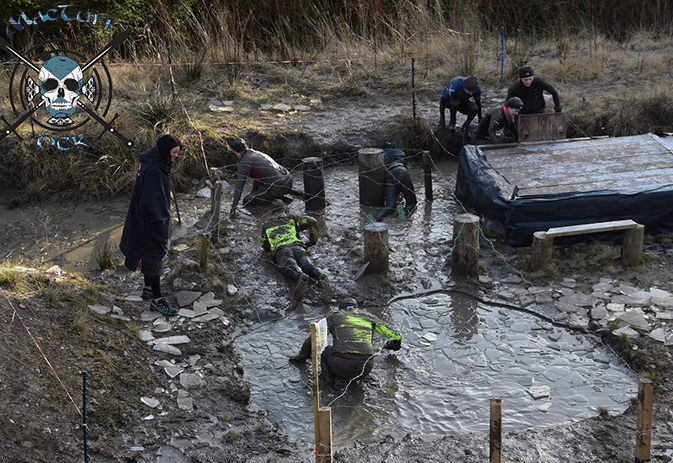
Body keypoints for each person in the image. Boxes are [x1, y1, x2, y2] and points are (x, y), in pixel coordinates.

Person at [119, 134, 181, 316]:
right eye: (174, 152)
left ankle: (148, 289)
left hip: (144, 217)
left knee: (149, 254)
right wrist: (161, 223)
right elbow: (151, 200)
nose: (176, 156)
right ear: (164, 151)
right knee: (155, 257)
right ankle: (157, 300)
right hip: (152, 220)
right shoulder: (154, 170)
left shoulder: (153, 161)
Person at [289, 297, 402, 383]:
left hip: (340, 365)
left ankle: (328, 383)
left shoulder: (334, 317)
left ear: (340, 308)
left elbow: (312, 339)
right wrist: (391, 346)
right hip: (366, 367)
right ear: (357, 309)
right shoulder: (369, 318)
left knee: (326, 351)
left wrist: (302, 357)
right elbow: (397, 336)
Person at [260, 199, 332, 302]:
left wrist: (268, 249)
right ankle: (320, 275)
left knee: (289, 264)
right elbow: (312, 221)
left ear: (271, 212)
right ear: (285, 209)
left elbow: (264, 243)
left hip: (281, 250)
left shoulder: (266, 223)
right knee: (307, 263)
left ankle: (300, 276)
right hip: (298, 246)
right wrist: (312, 241)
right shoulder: (292, 218)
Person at [228, 138, 303, 219]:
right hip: (288, 180)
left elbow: (239, 187)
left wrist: (233, 210)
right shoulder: (256, 153)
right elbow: (257, 178)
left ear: (234, 151)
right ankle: (296, 192)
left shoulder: (245, 162)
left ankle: (280, 198)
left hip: (277, 188)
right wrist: (253, 193)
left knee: (247, 201)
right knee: (262, 186)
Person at [375, 142, 417, 221]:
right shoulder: (400, 152)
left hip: (389, 175)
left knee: (390, 206)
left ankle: (375, 218)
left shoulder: (380, 155)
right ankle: (403, 215)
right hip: (400, 170)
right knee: (412, 203)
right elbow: (405, 172)